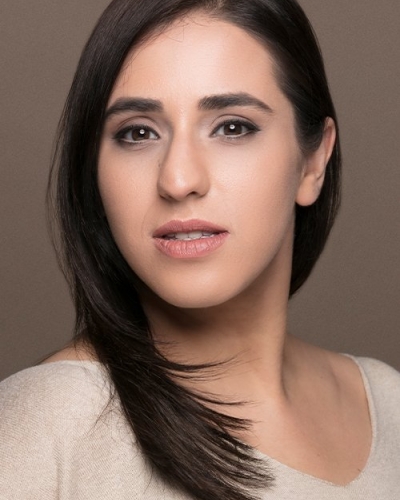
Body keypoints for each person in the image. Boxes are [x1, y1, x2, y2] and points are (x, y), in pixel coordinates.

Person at [1, 0, 399, 498]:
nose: (178, 179)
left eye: (232, 127)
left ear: (313, 160)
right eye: (138, 133)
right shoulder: (45, 426)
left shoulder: (388, 403)